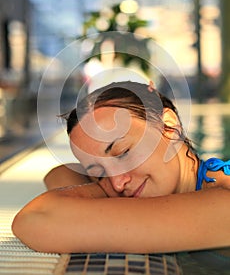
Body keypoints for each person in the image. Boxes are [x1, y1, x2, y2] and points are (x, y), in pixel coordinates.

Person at [12, 81, 230, 254]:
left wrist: (103, 191)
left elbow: (38, 218)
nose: (117, 183)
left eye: (124, 153)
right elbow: (60, 174)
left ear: (169, 126)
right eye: (99, 173)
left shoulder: (224, 202)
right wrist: (104, 186)